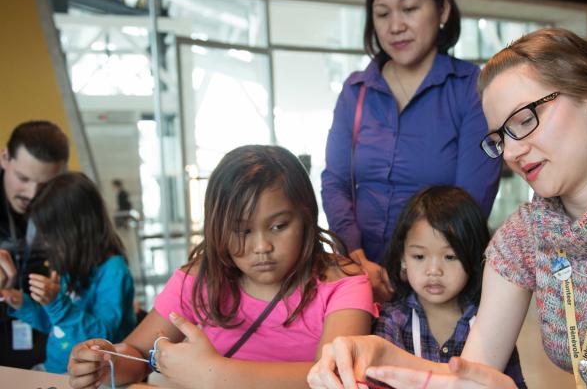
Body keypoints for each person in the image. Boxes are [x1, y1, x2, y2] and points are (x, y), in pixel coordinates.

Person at [307, 28, 587, 389]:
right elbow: (471, 371)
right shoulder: (523, 236)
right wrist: (378, 356)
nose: (511, 152)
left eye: (526, 120)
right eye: (499, 137)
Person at [67, 145, 376, 389]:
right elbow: (136, 353)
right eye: (241, 231)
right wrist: (104, 362)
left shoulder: (344, 282)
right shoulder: (198, 279)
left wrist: (215, 376)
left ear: (307, 217)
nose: (261, 246)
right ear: (217, 228)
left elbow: (336, 377)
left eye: (279, 226)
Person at [321, 0, 501, 302]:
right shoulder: (356, 91)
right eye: (383, 13)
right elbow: (335, 181)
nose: (395, 26)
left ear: (443, 9)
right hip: (363, 276)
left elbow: (472, 198)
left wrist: (416, 268)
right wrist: (355, 257)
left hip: (438, 279)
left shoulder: (471, 89)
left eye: (409, 8)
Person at [375, 185, 526, 388]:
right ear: (403, 258)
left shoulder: (488, 323)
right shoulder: (393, 320)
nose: (434, 270)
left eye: (450, 257)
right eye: (419, 256)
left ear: (472, 257)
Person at [0, 172, 136, 373]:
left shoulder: (113, 271)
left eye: (51, 234)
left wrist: (55, 303)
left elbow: (103, 338)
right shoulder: (71, 267)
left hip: (94, 377)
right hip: (54, 370)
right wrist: (22, 304)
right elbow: (56, 325)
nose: (46, 242)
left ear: (75, 228)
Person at [0, 120, 68, 369]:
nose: (32, 194)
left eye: (45, 184)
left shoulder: (65, 204)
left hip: (42, 327)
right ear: (5, 157)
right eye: (23, 178)